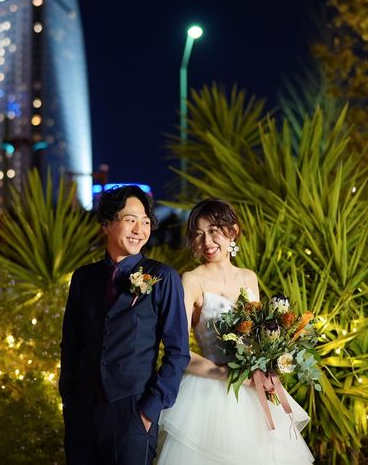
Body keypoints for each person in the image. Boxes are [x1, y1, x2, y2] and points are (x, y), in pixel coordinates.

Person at [157, 197, 314, 464]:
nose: (207, 241)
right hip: (209, 393)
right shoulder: (191, 280)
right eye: (199, 234)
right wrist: (231, 374)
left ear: (233, 231)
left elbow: (260, 338)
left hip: (254, 390)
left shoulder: (248, 277)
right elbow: (180, 353)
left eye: (213, 231)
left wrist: (268, 362)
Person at [59, 185, 190, 465]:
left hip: (133, 409)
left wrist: (149, 410)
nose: (139, 230)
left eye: (145, 222)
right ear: (106, 224)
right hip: (82, 411)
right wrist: (69, 399)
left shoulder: (163, 278)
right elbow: (71, 343)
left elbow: (178, 352)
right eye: (130, 220)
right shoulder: (83, 278)